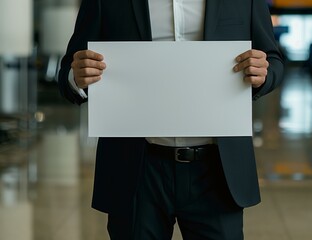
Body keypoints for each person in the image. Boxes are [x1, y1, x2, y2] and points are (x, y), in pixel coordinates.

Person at [58, 0, 284, 239]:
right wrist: (76, 76)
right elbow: (68, 72)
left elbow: (273, 59)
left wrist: (264, 73)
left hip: (217, 171)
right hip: (136, 170)